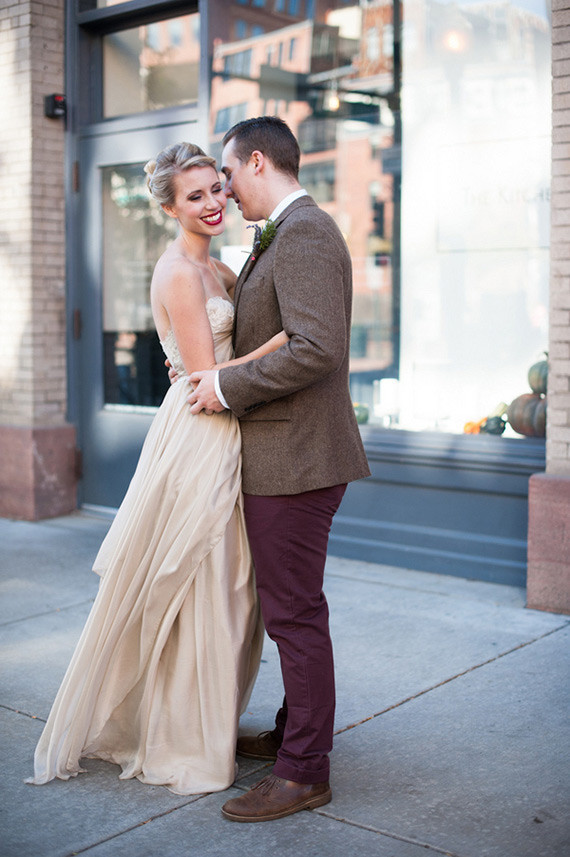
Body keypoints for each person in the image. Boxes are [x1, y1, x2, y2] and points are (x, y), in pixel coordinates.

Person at [26, 142, 289, 795]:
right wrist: (288, 342)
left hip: (226, 424)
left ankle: (205, 719)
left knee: (230, 588)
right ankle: (182, 735)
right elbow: (204, 376)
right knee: (205, 582)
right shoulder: (177, 272)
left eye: (216, 188)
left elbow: (217, 352)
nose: (213, 202)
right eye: (194, 196)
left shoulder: (218, 268)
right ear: (170, 209)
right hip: (202, 433)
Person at [187, 117, 371, 822]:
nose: (225, 190)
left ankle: (303, 771)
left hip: (296, 457)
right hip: (285, 452)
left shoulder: (304, 233)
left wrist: (226, 387)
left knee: (294, 614)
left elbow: (316, 347)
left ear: (257, 161)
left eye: (229, 174)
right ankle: (298, 733)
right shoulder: (288, 233)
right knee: (290, 608)